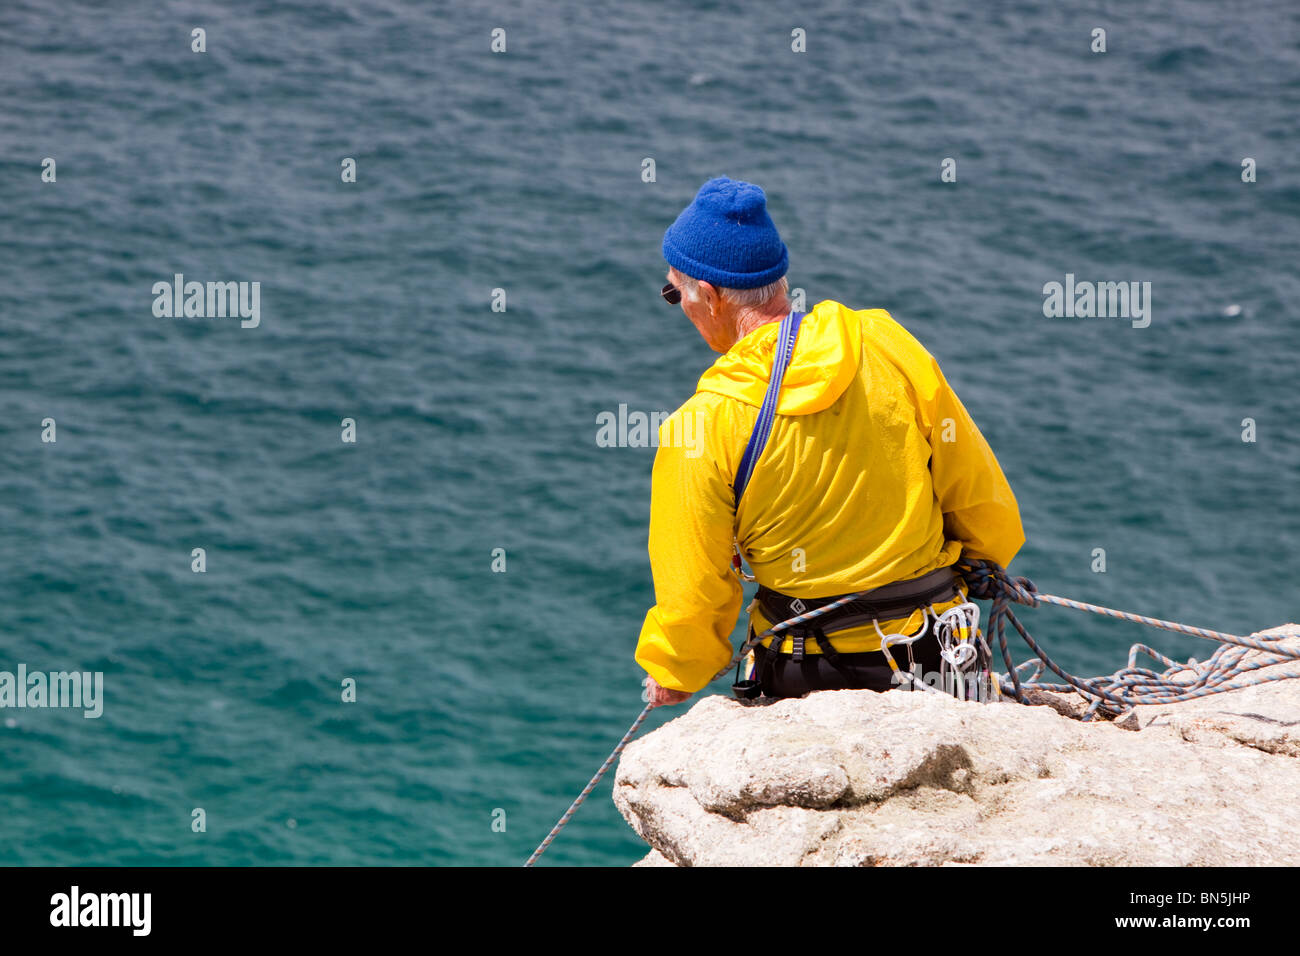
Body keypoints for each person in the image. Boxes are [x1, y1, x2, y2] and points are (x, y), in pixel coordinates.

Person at [636, 176, 1024, 708]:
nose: (677, 304)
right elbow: (973, 484)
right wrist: (982, 560)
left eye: (674, 292)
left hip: (810, 670)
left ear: (710, 296)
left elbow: (694, 589)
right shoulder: (884, 343)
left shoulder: (702, 425)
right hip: (938, 652)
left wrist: (675, 671)